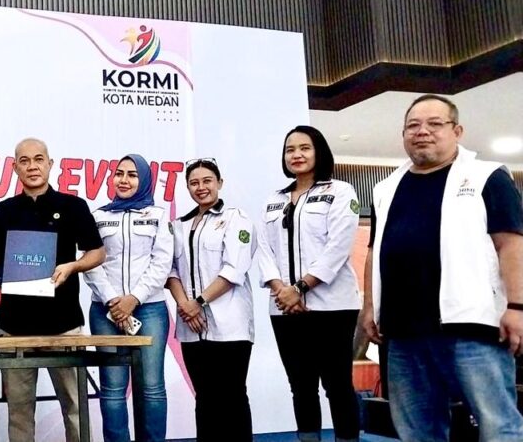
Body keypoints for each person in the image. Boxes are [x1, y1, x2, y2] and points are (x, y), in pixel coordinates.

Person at [361, 94, 523, 441]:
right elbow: (375, 251)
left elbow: (511, 244)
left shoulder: (487, 177)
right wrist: (370, 306)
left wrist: (517, 306)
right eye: (413, 125)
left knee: (498, 426)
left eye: (435, 124)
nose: (422, 131)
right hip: (403, 333)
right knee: (417, 432)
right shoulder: (385, 188)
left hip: (472, 328)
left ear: (457, 131)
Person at [0, 137, 106, 442]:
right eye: (24, 161)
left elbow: (97, 252)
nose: (32, 166)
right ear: (15, 168)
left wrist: (72, 266)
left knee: (76, 408)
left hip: (64, 325)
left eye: (39, 159)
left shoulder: (73, 206)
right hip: (14, 327)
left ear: (50, 164)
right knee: (18, 411)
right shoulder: (4, 211)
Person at [255, 126, 361, 442]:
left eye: (305, 148)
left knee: (337, 384)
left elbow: (338, 247)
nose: (297, 155)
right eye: (290, 149)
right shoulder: (274, 200)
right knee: (300, 384)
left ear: (319, 152)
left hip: (333, 306)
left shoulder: (340, 191)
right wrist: (282, 290)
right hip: (284, 308)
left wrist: (300, 288)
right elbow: (265, 250)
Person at [83, 154, 172, 442]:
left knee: (152, 387)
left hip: (149, 308)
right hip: (105, 310)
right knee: (112, 389)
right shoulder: (98, 216)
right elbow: (90, 262)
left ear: (143, 180)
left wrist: (134, 299)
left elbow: (162, 262)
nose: (124, 180)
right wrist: (113, 301)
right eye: (119, 173)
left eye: (132, 175)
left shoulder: (158, 215)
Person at [166, 158, 255, 441]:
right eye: (194, 183)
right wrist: (185, 307)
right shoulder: (178, 226)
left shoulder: (236, 218)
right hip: (191, 327)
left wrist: (199, 303)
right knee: (204, 396)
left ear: (219, 183)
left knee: (232, 395)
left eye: (207, 181)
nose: (201, 187)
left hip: (230, 326)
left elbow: (234, 269)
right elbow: (170, 271)